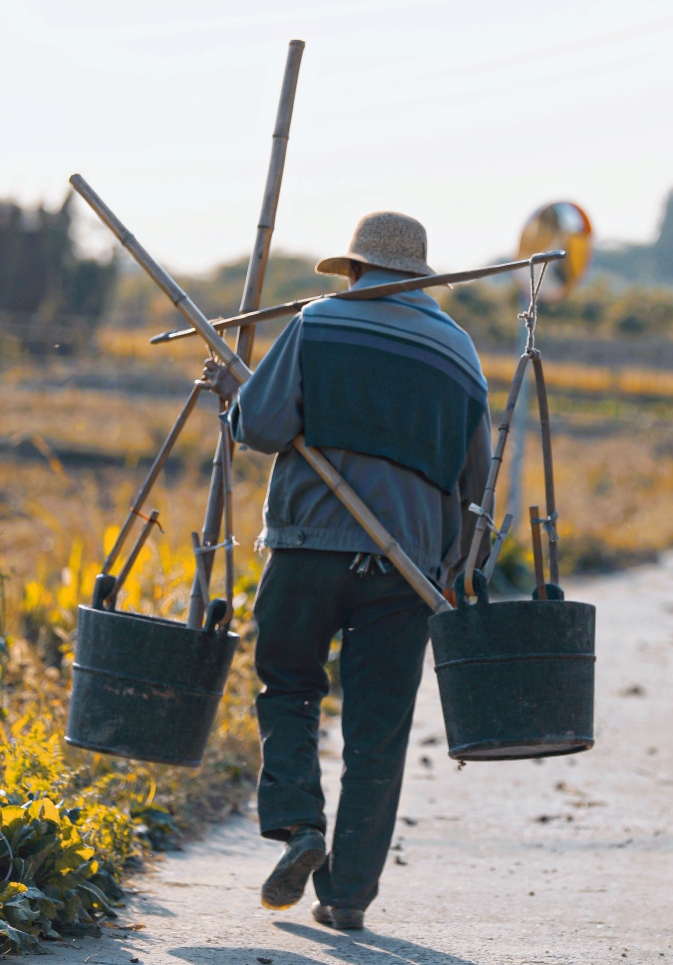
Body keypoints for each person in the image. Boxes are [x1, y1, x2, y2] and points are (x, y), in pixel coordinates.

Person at [200, 211, 492, 931]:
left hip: (307, 546)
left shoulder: (318, 322)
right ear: (419, 277)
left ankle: (299, 823)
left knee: (289, 686)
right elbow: (474, 482)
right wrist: (455, 567)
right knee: (378, 730)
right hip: (408, 568)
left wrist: (234, 397)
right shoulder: (458, 351)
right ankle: (347, 895)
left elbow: (263, 428)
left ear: (355, 269)